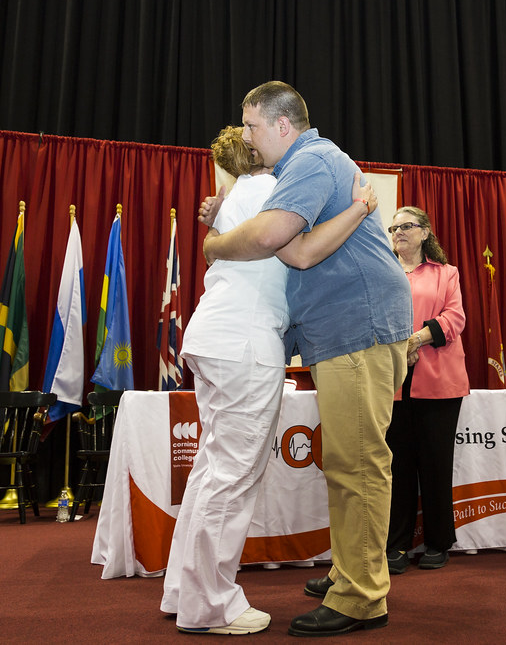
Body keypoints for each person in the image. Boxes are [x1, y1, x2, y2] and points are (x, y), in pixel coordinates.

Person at [202, 81, 412, 637]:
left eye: (250, 125)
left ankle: (363, 596)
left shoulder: (314, 159)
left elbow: (280, 241)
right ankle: (352, 570)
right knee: (346, 462)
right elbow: (291, 247)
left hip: (356, 328)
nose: (245, 137)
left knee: (358, 463)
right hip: (341, 331)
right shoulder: (303, 165)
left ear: (281, 125)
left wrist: (215, 244)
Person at [160, 125, 381, 635]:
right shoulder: (269, 191)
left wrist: (215, 225)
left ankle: (184, 590)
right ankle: (210, 604)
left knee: (212, 471)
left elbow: (220, 245)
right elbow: (300, 251)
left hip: (216, 333)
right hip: (244, 339)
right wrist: (361, 207)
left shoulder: (239, 192)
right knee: (232, 476)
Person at [385, 207, 469, 574]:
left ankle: (438, 542)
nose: (398, 232)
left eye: (406, 226)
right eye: (393, 227)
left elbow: (455, 317)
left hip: (438, 382)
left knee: (436, 465)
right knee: (396, 468)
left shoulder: (446, 273)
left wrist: (417, 339)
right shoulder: (381, 271)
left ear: (425, 232)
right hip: (389, 383)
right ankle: (396, 545)